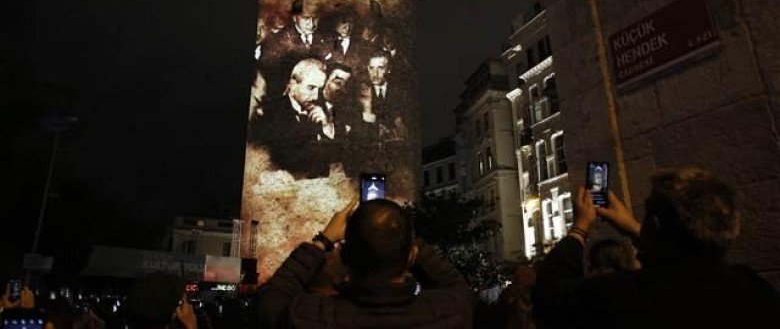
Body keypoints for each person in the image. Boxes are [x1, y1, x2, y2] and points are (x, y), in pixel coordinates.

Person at [533, 166, 779, 329]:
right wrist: (637, 229)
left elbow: (549, 293)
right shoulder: (755, 291)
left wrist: (580, 227)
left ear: (655, 223)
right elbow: (684, 256)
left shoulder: (623, 296)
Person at [255, 197, 474, 328]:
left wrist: (324, 240)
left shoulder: (311, 316)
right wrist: (397, 233)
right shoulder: (451, 312)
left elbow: (270, 301)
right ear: (411, 256)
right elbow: (456, 284)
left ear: (345, 256)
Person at [248, 58, 333, 177]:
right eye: (311, 88)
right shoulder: (269, 112)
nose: (315, 96)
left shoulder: (320, 112)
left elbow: (327, 165)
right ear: (293, 85)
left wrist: (325, 127)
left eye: (319, 89)